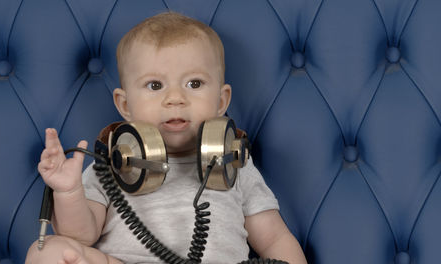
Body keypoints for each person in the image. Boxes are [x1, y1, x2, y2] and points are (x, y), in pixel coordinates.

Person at [26, 12, 307, 264]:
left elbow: (274, 239)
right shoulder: (111, 165)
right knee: (46, 251)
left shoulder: (234, 163)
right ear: (125, 105)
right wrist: (68, 191)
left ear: (222, 101)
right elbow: (81, 237)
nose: (175, 98)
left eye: (194, 84)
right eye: (155, 85)